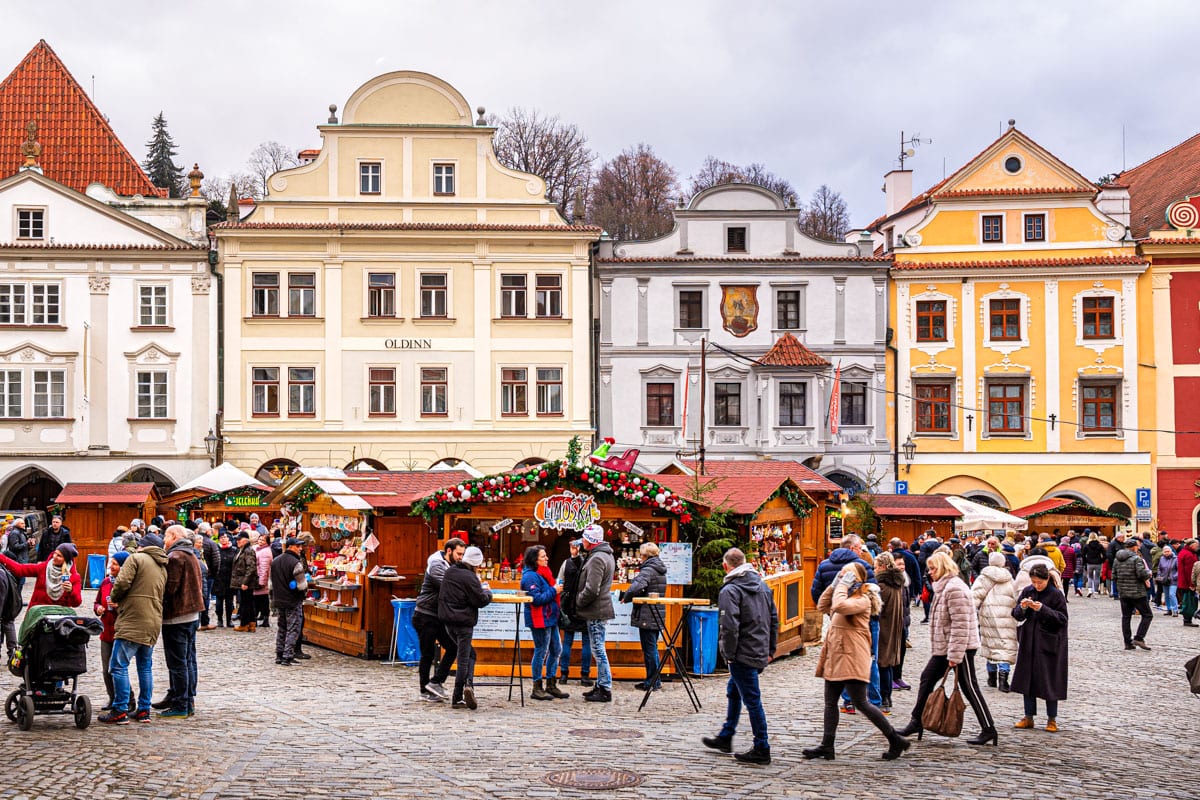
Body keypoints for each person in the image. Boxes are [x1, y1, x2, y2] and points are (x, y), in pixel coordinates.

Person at [804, 562, 910, 762]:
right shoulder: (844, 593)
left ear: (856, 579)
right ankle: (827, 745)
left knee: (861, 702)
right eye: (841, 575)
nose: (843, 577)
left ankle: (895, 739)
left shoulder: (862, 599)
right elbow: (823, 605)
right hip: (838, 655)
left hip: (852, 656)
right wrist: (834, 585)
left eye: (846, 575)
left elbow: (839, 606)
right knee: (830, 702)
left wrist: (842, 587)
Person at [897, 551, 997, 746]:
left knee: (970, 687)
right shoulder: (943, 587)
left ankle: (988, 728)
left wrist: (955, 655)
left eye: (933, 568)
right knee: (927, 679)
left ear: (943, 568)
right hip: (945, 647)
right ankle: (916, 721)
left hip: (960, 647)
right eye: (930, 568)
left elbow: (961, 624)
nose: (930, 572)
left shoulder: (954, 589)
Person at [701, 547, 779, 764]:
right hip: (758, 648)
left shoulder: (730, 590)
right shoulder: (762, 586)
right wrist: (771, 649)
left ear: (726, 566)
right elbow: (774, 618)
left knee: (752, 699)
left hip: (742, 651)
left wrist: (728, 653)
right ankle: (726, 735)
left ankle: (762, 746)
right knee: (734, 691)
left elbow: (729, 625)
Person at [99, 532, 168, 724]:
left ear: (141, 546)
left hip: (133, 619)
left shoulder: (135, 559)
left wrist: (115, 598)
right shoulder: (162, 565)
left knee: (117, 666)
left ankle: (120, 709)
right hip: (153, 619)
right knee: (145, 667)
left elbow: (122, 583)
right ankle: (144, 710)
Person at [811, 533, 881, 712]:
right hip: (859, 619)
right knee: (869, 658)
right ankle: (874, 700)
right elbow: (871, 592)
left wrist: (831, 612)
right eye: (859, 548)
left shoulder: (824, 565)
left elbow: (816, 592)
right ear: (852, 548)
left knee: (841, 660)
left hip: (837, 619)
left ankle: (849, 700)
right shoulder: (862, 565)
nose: (861, 550)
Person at [1011, 563, 1069, 732]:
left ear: (1047, 579)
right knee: (1027, 679)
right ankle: (1028, 716)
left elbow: (1062, 618)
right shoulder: (1028, 590)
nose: (1036, 585)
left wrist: (1042, 609)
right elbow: (1016, 614)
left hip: (1049, 642)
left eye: (1039, 582)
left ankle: (1052, 719)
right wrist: (1022, 607)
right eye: (1034, 582)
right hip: (1029, 640)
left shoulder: (1056, 594)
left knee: (1049, 680)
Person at [155, 524, 204, 718]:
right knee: (188, 659)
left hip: (177, 615)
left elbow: (170, 588)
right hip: (191, 614)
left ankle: (180, 703)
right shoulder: (191, 554)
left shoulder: (175, 557)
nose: (164, 541)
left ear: (174, 536)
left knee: (177, 662)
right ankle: (185, 698)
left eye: (166, 537)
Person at [438, 545, 492, 710]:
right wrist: (488, 592)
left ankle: (469, 685)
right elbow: (480, 600)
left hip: (448, 621)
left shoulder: (450, 571)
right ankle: (458, 696)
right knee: (463, 659)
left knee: (470, 654)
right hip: (463, 622)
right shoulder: (470, 577)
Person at [413, 537, 464, 701]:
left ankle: (436, 682)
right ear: (449, 551)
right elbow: (448, 589)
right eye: (458, 554)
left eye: (463, 554)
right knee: (427, 654)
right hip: (425, 614)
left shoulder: (452, 565)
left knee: (453, 647)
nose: (461, 557)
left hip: (439, 616)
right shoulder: (437, 565)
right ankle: (424, 690)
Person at [618, 541, 668, 692]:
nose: (640, 557)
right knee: (652, 647)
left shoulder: (648, 569)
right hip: (656, 612)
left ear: (645, 555)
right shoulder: (659, 568)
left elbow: (637, 586)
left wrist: (625, 597)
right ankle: (654, 680)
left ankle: (652, 681)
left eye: (641, 554)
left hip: (647, 613)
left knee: (649, 649)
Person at [520, 544, 568, 701]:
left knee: (556, 649)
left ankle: (551, 683)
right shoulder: (530, 576)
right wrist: (555, 590)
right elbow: (536, 599)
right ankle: (537, 686)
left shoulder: (543, 572)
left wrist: (554, 589)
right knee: (541, 651)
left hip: (550, 617)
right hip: (539, 618)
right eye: (543, 556)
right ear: (535, 560)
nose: (547, 558)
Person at [575, 523, 616, 703]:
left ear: (590, 541)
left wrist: (578, 600)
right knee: (597, 648)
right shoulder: (603, 555)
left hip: (596, 609)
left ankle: (605, 688)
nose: (582, 541)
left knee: (598, 649)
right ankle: (600, 685)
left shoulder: (597, 558)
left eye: (584, 538)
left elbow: (592, 589)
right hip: (598, 609)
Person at [972, 551, 1018, 693]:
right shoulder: (1010, 578)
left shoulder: (983, 578)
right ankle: (1003, 680)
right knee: (1005, 645)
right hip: (1007, 616)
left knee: (991, 644)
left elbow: (974, 597)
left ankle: (991, 677)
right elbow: (1016, 596)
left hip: (988, 615)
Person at [0, 541, 82, 608]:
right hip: (38, 614)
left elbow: (76, 603)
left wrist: (71, 591)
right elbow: (20, 569)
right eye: (55, 553)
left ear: (66, 559)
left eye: (59, 556)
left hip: (59, 619)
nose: (54, 556)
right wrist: (1, 557)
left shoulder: (74, 577)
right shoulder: (43, 568)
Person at [94, 552, 128, 710]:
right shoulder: (105, 582)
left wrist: (118, 607)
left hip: (120, 631)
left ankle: (128, 699)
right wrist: (98, 608)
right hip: (106, 631)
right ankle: (112, 697)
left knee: (118, 669)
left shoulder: (127, 584)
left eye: (115, 563)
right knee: (106, 669)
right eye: (111, 563)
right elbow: (96, 602)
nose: (111, 566)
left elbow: (132, 607)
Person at [556, 538, 593, 686]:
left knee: (567, 642)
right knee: (586, 642)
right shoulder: (588, 563)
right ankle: (585, 676)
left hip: (569, 605)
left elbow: (560, 581)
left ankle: (564, 675)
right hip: (584, 604)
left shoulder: (567, 563)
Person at [874, 552, 907, 712]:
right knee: (887, 663)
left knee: (882, 663)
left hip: (884, 626)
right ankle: (886, 697)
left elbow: (876, 610)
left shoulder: (882, 585)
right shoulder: (896, 583)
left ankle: (884, 697)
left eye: (876, 567)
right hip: (894, 626)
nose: (874, 570)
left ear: (882, 566)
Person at [272, 536, 309, 666]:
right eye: (298, 546)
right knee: (293, 628)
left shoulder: (275, 561)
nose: (300, 549)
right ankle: (287, 655)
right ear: (291, 547)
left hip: (279, 599)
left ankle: (279, 654)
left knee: (282, 627)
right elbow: (302, 585)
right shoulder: (295, 563)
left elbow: (271, 583)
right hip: (292, 600)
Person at [1113, 536, 1153, 650]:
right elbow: (1141, 574)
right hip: (1137, 592)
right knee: (1147, 615)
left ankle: (1127, 642)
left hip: (1124, 593)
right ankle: (1139, 638)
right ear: (1134, 547)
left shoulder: (1117, 559)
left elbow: (1114, 576)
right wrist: (1148, 574)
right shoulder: (1136, 559)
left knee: (1126, 617)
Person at [230, 532, 260, 632]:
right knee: (248, 602)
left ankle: (245, 623)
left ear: (246, 540)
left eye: (240, 539)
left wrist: (245, 582)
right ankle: (251, 623)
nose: (237, 541)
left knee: (245, 603)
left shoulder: (248, 551)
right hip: (243, 580)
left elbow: (251, 567)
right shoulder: (242, 550)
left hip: (246, 582)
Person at [212, 532, 237, 627]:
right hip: (219, 578)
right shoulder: (216, 549)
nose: (223, 539)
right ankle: (219, 619)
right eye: (221, 537)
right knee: (219, 601)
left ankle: (229, 619)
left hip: (230, 578)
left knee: (229, 601)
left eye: (225, 537)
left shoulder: (234, 550)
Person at [0, 557, 21, 665]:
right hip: (10, 603)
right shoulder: (3, 569)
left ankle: (12, 654)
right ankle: (12, 653)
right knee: (8, 623)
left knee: (7, 622)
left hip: (7, 602)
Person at [1177, 539, 1199, 627]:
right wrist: (1192, 584)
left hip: (1183, 582)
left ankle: (1187, 619)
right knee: (1190, 602)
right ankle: (1188, 619)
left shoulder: (1183, 552)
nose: (1197, 547)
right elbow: (1190, 571)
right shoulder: (1189, 555)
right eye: (1196, 545)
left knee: (1187, 601)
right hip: (1187, 583)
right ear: (1191, 545)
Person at [253, 532, 273, 628]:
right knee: (259, 600)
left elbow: (264, 568)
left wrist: (262, 582)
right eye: (259, 539)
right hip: (258, 578)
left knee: (262, 601)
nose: (260, 541)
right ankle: (259, 618)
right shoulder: (259, 549)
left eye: (262, 540)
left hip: (261, 580)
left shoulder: (265, 552)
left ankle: (264, 619)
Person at [1158, 545, 1179, 617]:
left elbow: (1179, 569)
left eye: (1168, 551)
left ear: (1171, 551)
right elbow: (1159, 568)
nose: (1167, 553)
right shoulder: (1161, 558)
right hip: (1164, 580)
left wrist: (1174, 576)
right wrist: (1159, 576)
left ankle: (1175, 610)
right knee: (1166, 595)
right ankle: (1169, 609)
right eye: (1165, 552)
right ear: (1163, 552)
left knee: (1172, 594)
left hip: (1173, 580)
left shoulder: (1175, 558)